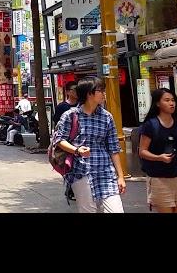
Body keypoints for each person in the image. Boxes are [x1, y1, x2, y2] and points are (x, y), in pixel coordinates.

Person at [52, 77, 126, 213]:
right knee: (88, 211)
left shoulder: (107, 117)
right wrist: (77, 150)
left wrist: (120, 176)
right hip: (81, 171)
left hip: (105, 171)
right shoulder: (70, 115)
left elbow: (113, 148)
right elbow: (59, 140)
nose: (104, 94)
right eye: (101, 91)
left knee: (116, 210)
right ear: (89, 93)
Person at [138, 88, 177, 213]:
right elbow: (142, 151)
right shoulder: (150, 125)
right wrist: (159, 157)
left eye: (173, 100)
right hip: (159, 178)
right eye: (167, 100)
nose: (172, 103)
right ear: (158, 103)